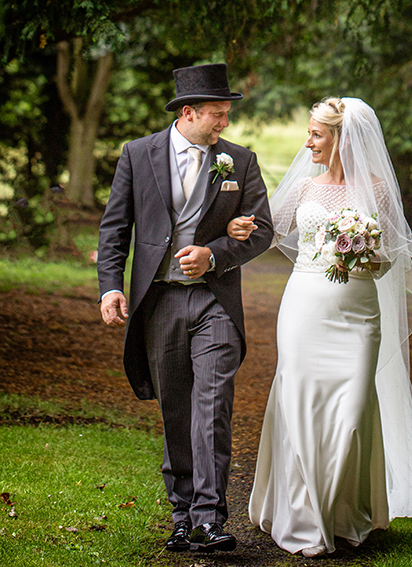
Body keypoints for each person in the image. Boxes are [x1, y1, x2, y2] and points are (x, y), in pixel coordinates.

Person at [227, 96, 412, 558]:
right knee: (301, 401)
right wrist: (237, 228)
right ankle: (303, 513)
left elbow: (389, 260)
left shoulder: (377, 190)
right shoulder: (303, 189)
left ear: (341, 137)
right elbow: (265, 232)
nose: (308, 142)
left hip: (358, 313)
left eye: (316, 134)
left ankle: (345, 512)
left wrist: (361, 251)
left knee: (354, 406)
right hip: (303, 310)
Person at [97, 62, 273, 554]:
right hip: (160, 303)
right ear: (188, 112)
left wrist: (215, 253)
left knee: (212, 405)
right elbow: (114, 230)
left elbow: (261, 229)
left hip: (215, 301)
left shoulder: (239, 160)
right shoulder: (138, 155)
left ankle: (211, 518)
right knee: (175, 409)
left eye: (227, 115)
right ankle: (181, 516)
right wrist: (110, 287)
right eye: (217, 114)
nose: (225, 124)